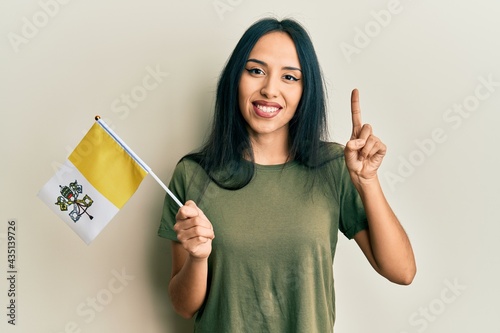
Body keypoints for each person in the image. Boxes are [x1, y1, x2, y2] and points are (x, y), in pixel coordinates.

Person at [158, 17, 416, 333]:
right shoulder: (194, 174)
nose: (269, 89)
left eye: (290, 77)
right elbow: (184, 307)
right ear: (234, 80)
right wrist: (198, 259)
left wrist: (367, 182)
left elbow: (402, 271)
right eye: (255, 71)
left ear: (305, 91)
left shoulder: (334, 166)